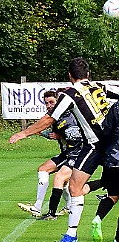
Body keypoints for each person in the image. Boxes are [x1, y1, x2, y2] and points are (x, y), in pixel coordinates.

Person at [9, 57, 119, 242]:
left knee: (76, 187)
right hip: (114, 146)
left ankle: (71, 234)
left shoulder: (69, 94)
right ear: (88, 74)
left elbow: (49, 119)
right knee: (113, 191)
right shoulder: (99, 86)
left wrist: (23, 133)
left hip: (95, 145)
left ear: (70, 76)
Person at [17, 90, 82, 218]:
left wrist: (60, 135)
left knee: (60, 178)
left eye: (51, 102)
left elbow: (76, 135)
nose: (49, 105)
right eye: (46, 103)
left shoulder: (69, 115)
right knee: (43, 170)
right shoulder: (54, 117)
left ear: (59, 102)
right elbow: (54, 135)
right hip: (66, 153)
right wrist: (42, 133)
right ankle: (65, 207)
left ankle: (43, 209)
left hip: (76, 154)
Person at [90, 100, 119, 242]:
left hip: (112, 159)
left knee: (112, 195)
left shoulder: (116, 106)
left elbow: (105, 131)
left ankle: (98, 217)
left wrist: (103, 155)